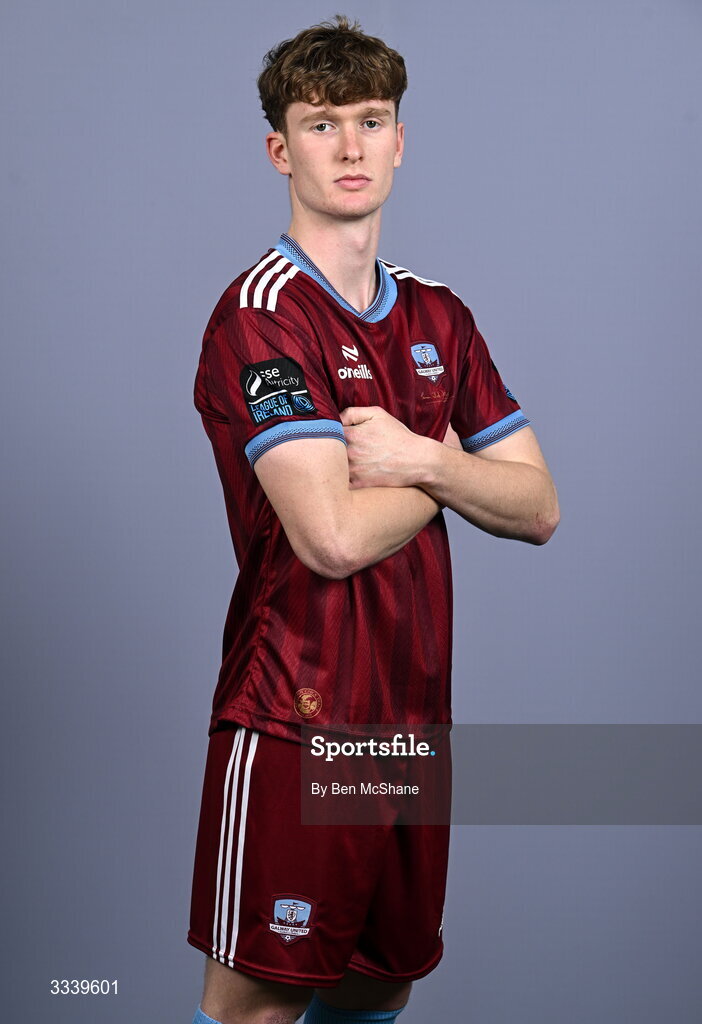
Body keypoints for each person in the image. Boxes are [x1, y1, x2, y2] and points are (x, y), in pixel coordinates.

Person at [187, 15, 559, 1024]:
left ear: (401, 139)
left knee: (380, 986)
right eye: (322, 124)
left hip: (411, 723)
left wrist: (418, 457)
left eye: (371, 120)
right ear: (281, 150)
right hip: (296, 715)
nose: (350, 146)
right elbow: (334, 537)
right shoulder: (261, 315)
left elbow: (539, 507)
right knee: (260, 1006)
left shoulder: (441, 316)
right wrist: (458, 475)